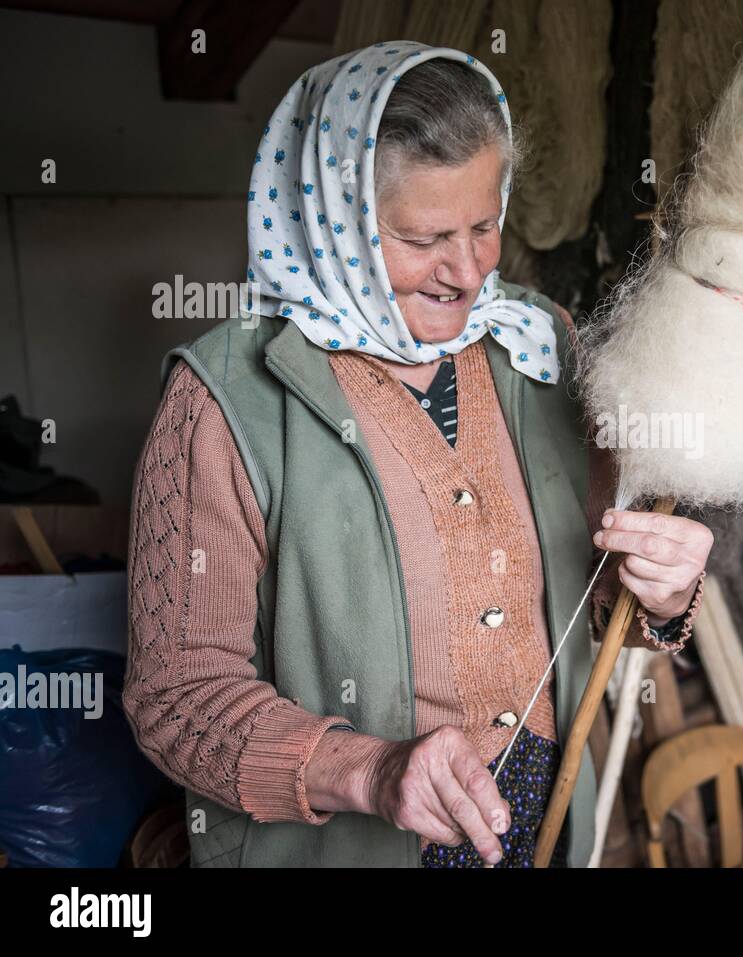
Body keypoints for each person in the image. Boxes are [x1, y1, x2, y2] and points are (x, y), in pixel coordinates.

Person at [123, 41, 712, 869]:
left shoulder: (538, 345)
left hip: (546, 829)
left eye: (485, 223)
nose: (469, 271)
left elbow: (599, 585)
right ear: (336, 223)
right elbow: (175, 699)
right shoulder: (224, 400)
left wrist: (664, 589)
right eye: (426, 236)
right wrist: (371, 769)